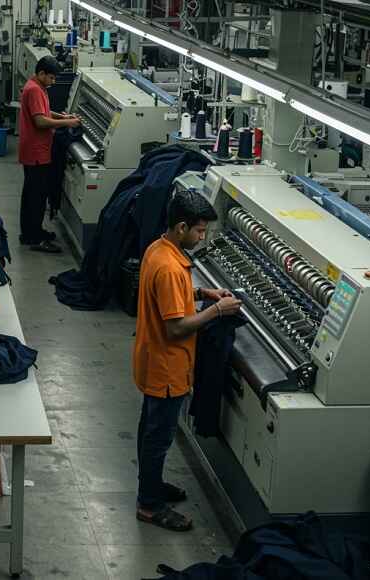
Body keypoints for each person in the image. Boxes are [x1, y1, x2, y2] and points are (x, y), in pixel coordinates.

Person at [132, 192, 241, 532]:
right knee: (159, 437)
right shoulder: (169, 267)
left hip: (151, 359)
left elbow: (169, 298)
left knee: (149, 428)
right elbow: (176, 326)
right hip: (168, 366)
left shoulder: (158, 250)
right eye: (199, 231)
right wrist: (216, 311)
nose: (202, 237)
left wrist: (201, 294)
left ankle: (151, 485)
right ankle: (149, 505)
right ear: (181, 227)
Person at [18, 55, 81, 253]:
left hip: (34, 149)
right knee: (36, 197)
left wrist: (61, 115)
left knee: (31, 194)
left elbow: (44, 113)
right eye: (52, 78)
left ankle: (30, 232)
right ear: (41, 73)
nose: (53, 82)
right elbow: (40, 122)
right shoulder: (35, 90)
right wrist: (67, 123)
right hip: (36, 151)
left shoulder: (36, 86)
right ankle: (35, 239)